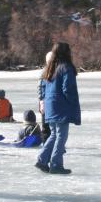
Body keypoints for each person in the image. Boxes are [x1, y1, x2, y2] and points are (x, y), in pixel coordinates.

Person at [35, 42, 81, 174]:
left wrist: (43, 102)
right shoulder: (65, 67)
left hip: (51, 106)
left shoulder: (50, 68)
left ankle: (42, 160)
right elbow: (68, 88)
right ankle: (55, 164)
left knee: (54, 134)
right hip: (60, 106)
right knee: (61, 136)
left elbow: (43, 87)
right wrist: (73, 103)